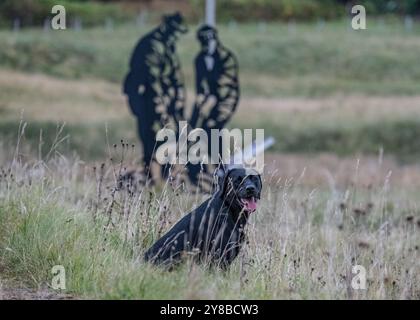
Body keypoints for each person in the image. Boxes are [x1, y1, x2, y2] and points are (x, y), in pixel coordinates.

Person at [123, 12, 187, 182]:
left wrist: (178, 101)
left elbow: (174, 75)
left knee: (169, 136)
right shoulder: (151, 45)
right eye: (175, 31)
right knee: (152, 136)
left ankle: (166, 176)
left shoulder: (167, 44)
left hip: (164, 99)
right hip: (148, 100)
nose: (177, 36)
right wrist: (163, 106)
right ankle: (151, 177)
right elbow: (153, 80)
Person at [188, 25, 240, 187]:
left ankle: (220, 171)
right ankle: (198, 173)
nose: (206, 44)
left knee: (211, 130)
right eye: (203, 41)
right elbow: (200, 89)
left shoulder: (226, 58)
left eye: (209, 40)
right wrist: (194, 115)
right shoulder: (199, 60)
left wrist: (210, 104)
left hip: (225, 102)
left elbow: (226, 88)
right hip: (208, 103)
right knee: (197, 132)